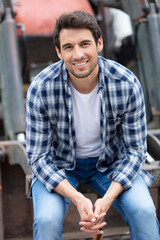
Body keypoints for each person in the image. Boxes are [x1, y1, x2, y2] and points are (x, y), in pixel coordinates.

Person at [26, 10, 160, 240]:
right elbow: (38, 157)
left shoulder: (126, 83)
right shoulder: (41, 88)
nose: (78, 54)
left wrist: (106, 199)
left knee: (144, 212)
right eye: (68, 47)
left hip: (112, 164)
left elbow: (135, 151)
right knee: (46, 222)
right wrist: (78, 199)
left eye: (84, 44)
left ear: (99, 43)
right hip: (60, 166)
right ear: (59, 52)